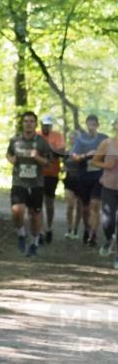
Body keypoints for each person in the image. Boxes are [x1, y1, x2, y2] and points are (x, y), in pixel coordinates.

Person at [6, 111, 53, 257]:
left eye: (31, 121)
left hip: (36, 184)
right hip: (19, 182)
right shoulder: (15, 140)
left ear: (35, 124)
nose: (28, 124)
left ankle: (35, 241)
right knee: (17, 210)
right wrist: (11, 159)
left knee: (35, 214)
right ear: (22, 123)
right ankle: (21, 234)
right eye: (26, 121)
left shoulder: (42, 142)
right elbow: (8, 153)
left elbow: (48, 163)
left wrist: (37, 157)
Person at [70, 114, 109, 247]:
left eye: (94, 124)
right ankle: (87, 229)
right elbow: (74, 157)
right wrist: (86, 155)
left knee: (95, 206)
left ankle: (93, 235)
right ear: (86, 125)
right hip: (84, 177)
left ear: (98, 125)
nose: (92, 126)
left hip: (99, 178)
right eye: (89, 124)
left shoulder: (104, 139)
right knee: (85, 209)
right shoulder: (81, 140)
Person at [90, 118, 118, 268]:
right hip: (108, 187)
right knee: (108, 222)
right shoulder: (107, 143)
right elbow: (94, 161)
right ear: (115, 126)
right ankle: (108, 239)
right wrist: (106, 165)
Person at [36, 115, 65, 244]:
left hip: (52, 173)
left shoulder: (57, 136)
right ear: (41, 124)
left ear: (51, 126)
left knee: (49, 203)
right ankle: (41, 231)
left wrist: (46, 153)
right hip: (37, 173)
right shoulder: (36, 134)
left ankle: (49, 227)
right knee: (38, 202)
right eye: (44, 125)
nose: (46, 127)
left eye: (48, 125)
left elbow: (61, 150)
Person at [63, 130, 84, 239]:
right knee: (70, 204)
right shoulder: (67, 152)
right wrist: (64, 168)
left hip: (81, 181)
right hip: (69, 180)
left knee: (79, 206)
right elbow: (64, 166)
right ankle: (69, 228)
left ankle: (75, 230)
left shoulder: (84, 152)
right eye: (71, 138)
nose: (73, 140)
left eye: (75, 138)